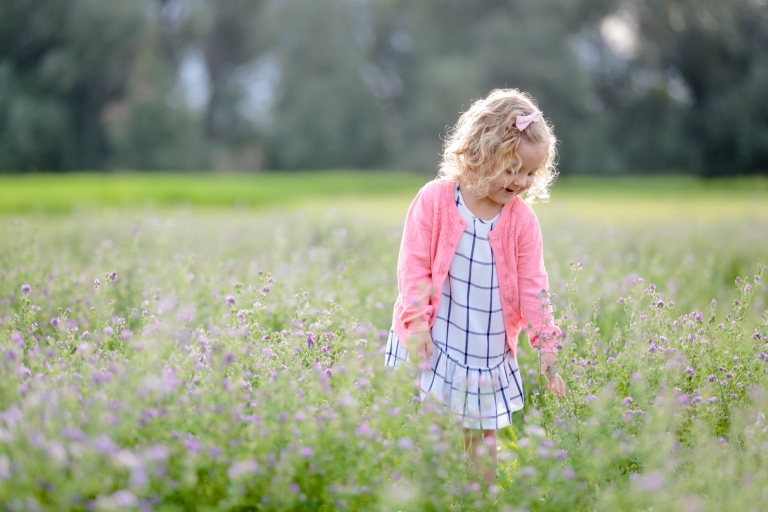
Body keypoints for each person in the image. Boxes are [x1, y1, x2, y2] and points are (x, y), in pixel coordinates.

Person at [383, 88, 567, 485]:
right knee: (424, 428)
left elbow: (536, 289)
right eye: (512, 168)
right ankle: (420, 493)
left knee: (482, 438)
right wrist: (415, 327)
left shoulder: (521, 222)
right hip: (432, 337)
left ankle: (480, 497)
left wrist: (547, 350)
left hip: (484, 347)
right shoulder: (434, 200)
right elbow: (412, 269)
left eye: (531, 173)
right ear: (482, 153)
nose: (521, 181)